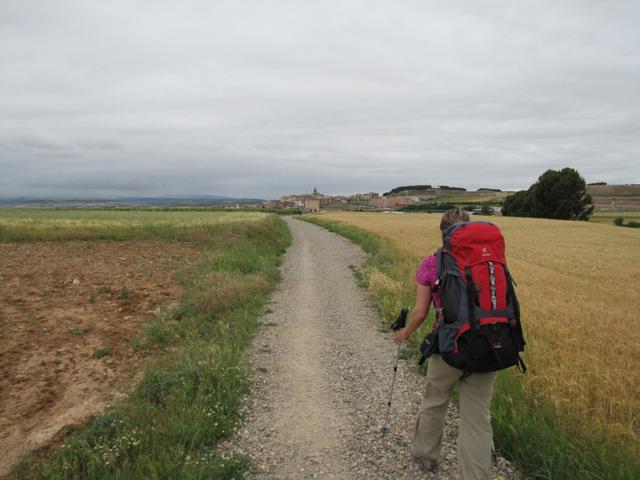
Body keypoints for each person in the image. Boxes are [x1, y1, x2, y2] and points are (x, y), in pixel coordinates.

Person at [393, 208, 498, 480]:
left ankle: (425, 455)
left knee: (435, 401)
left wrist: (405, 332)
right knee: (477, 417)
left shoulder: (431, 263)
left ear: (442, 232)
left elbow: (420, 312)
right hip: (488, 347)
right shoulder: (490, 262)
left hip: (447, 347)